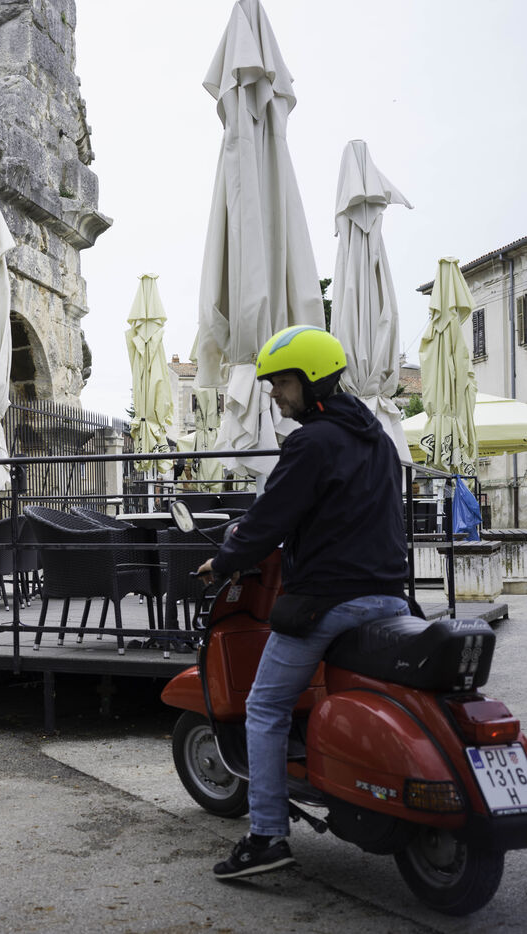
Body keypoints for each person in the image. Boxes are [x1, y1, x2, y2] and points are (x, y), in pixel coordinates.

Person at [196, 325, 409, 880]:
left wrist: (225, 560)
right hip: (391, 600)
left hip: (329, 601)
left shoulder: (311, 442)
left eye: (282, 382)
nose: (273, 394)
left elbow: (271, 517)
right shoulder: (378, 440)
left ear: (312, 380)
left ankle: (266, 835)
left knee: (265, 708)